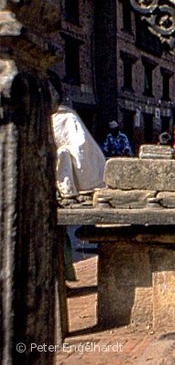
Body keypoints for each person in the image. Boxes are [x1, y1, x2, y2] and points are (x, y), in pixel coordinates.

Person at [48, 71, 106, 281]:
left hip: (56, 190)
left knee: (54, 237)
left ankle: (60, 279)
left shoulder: (66, 118)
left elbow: (83, 154)